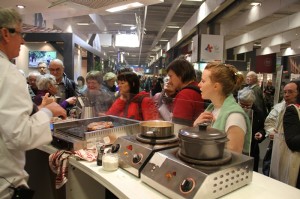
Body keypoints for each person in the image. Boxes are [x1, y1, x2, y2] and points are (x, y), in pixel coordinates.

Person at [0, 7, 66, 198]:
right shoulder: (8, 73)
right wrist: (47, 112)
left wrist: (38, 109)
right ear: (5, 33)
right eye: (21, 33)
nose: (22, 40)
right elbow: (20, 136)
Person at [193, 62, 252, 155]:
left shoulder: (235, 116)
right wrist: (196, 126)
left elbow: (233, 156)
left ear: (216, 86)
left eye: (203, 81)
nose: (199, 85)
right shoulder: (211, 109)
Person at [263, 81, 299, 176]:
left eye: (290, 92)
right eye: (285, 92)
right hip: (276, 147)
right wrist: (271, 131)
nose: (286, 95)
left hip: (294, 152)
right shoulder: (278, 108)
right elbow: (269, 122)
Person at [166, 56, 204, 127]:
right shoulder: (197, 88)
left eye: (171, 76)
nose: (169, 81)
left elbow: (179, 128)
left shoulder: (185, 95)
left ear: (181, 75)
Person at [237, 87, 266, 171]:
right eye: (242, 105)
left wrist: (261, 134)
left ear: (252, 103)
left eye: (248, 105)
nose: (245, 108)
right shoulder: (232, 111)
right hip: (236, 147)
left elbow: (263, 128)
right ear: (238, 101)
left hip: (251, 148)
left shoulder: (258, 112)